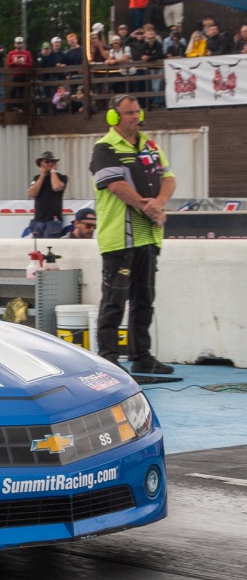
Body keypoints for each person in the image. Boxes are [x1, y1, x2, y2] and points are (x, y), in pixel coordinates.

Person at [90, 94, 177, 374]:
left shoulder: (150, 145)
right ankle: (108, 357)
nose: (136, 117)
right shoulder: (105, 147)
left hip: (148, 237)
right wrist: (147, 207)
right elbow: (115, 185)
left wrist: (159, 203)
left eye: (137, 112)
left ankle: (142, 356)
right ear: (114, 117)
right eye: (129, 113)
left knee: (144, 299)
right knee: (114, 301)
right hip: (120, 238)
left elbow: (169, 178)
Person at [25, 151, 68, 237]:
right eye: (47, 161)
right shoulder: (36, 178)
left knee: (50, 243)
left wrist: (53, 171)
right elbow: (32, 193)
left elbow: (56, 187)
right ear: (41, 163)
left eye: (52, 161)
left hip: (53, 220)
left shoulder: (62, 177)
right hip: (38, 219)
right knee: (37, 244)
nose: (50, 163)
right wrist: (42, 175)